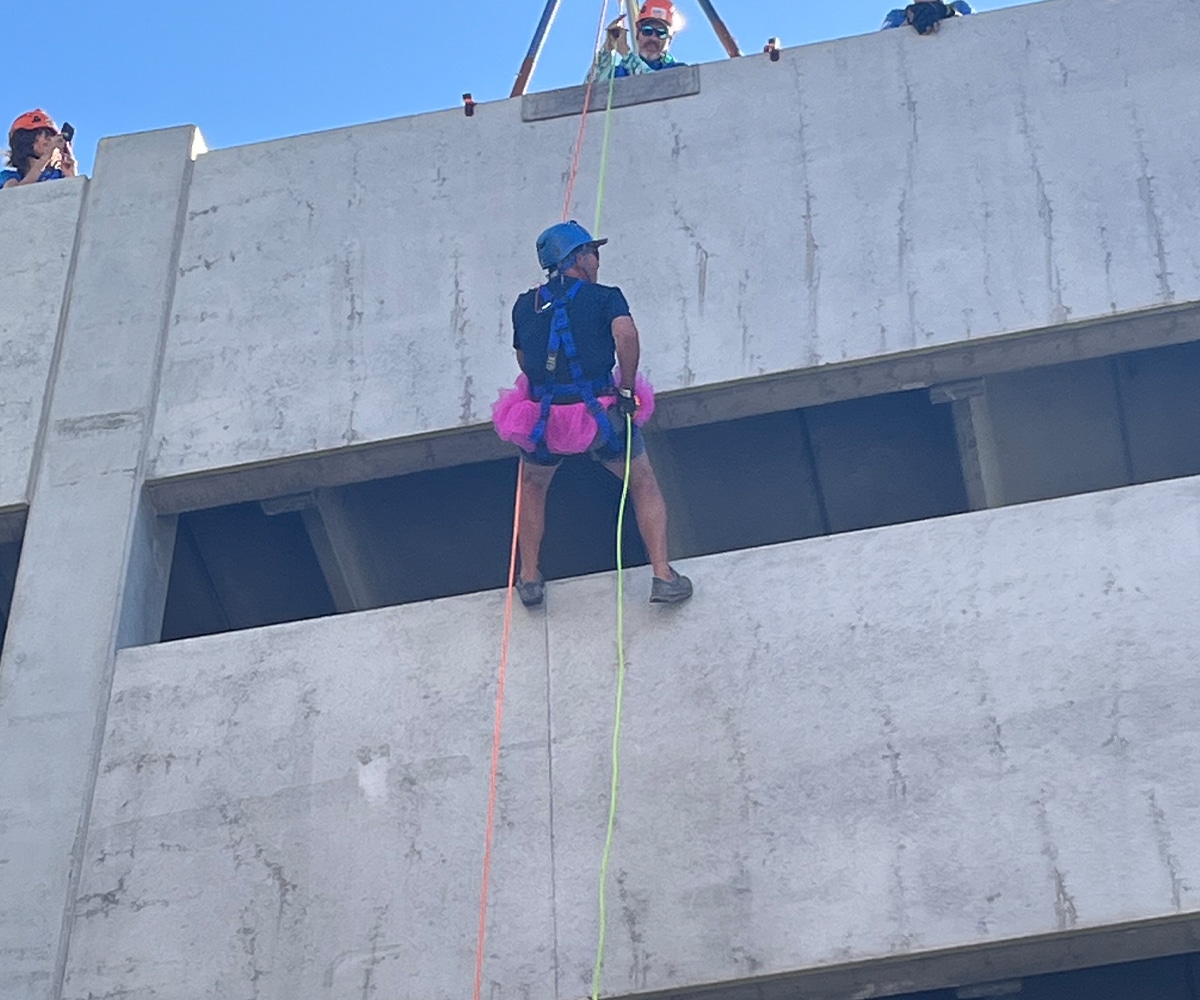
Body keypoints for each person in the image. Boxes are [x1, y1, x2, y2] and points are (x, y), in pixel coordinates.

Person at [492, 221, 693, 608]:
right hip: (598, 416)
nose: (597, 260)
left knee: (533, 487)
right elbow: (627, 335)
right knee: (642, 481)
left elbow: (523, 359)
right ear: (578, 258)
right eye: (593, 252)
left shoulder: (524, 304)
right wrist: (629, 386)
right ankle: (663, 575)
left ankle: (530, 578)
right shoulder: (606, 297)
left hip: (544, 419)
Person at [591, 1, 687, 82]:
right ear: (638, 33)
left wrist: (626, 54)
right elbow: (588, 92)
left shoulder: (678, 71)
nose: (653, 37)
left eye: (661, 33)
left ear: (669, 40)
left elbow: (657, 85)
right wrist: (606, 50)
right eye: (647, 30)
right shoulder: (618, 73)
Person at [2, 110, 75, 189]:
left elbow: (74, 197)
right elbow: (13, 194)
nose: (49, 139)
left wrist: (71, 173)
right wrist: (46, 157)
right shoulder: (9, 177)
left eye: (51, 134)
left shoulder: (59, 175)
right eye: (45, 134)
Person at [881, 0, 973, 33]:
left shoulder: (959, 7)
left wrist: (949, 14)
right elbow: (883, 42)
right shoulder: (896, 16)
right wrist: (909, 22)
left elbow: (975, 30)